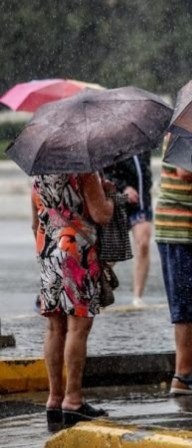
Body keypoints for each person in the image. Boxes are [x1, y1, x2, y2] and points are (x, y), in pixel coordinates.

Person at [34, 172, 113, 427]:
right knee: (78, 327)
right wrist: (109, 197)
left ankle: (54, 399)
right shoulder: (84, 170)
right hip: (76, 250)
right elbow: (102, 214)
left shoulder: (39, 172)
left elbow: (33, 222)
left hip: (47, 247)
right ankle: (73, 399)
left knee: (54, 328)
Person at [154, 155, 192, 395]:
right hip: (181, 228)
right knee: (187, 305)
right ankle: (183, 375)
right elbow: (185, 171)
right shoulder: (187, 127)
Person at [103, 152, 154, 307]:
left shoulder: (142, 144)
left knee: (143, 244)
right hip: (120, 202)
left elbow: (145, 171)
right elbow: (105, 175)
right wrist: (123, 187)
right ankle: (100, 290)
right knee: (114, 254)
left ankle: (137, 296)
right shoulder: (112, 145)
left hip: (141, 202)